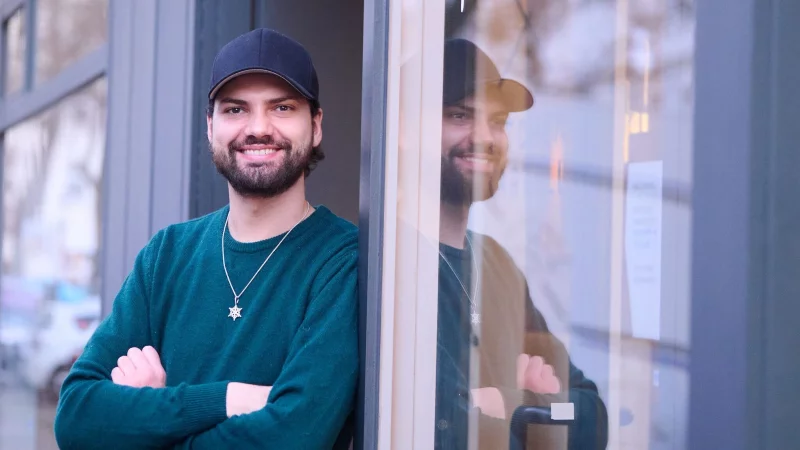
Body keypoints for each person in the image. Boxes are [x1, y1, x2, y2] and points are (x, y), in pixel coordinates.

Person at [53, 28, 358, 450]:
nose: (258, 128)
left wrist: (149, 419)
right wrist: (229, 397)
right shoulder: (167, 255)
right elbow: (76, 417)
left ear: (316, 125)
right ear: (210, 126)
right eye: (236, 110)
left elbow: (292, 436)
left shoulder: (345, 260)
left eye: (282, 107)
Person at [431, 38, 609, 449]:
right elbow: (447, 429)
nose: (486, 137)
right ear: (404, 130)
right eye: (460, 115)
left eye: (498, 121)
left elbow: (592, 416)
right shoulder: (383, 262)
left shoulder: (497, 266)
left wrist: (511, 402)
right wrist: (533, 409)